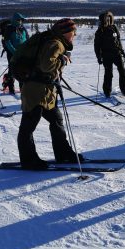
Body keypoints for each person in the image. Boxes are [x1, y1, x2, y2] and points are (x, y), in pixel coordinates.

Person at [17, 18, 83, 170]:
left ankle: (63, 153)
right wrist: (63, 60)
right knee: (28, 126)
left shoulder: (55, 41)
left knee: (56, 120)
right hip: (35, 91)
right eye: (73, 32)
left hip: (45, 92)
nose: (74, 35)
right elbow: (47, 66)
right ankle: (29, 161)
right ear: (66, 32)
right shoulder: (55, 43)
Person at [94, 11, 125, 97]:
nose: (108, 20)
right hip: (106, 55)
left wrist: (122, 51)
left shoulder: (114, 28)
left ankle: (124, 89)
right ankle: (107, 92)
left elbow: (118, 40)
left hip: (117, 53)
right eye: (106, 19)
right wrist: (98, 57)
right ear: (102, 20)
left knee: (122, 71)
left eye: (109, 18)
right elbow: (96, 46)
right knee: (109, 74)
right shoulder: (99, 31)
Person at [3, 12, 29, 94]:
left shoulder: (23, 29)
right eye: (19, 20)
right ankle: (11, 88)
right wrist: (14, 51)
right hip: (12, 54)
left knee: (23, 71)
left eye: (21, 20)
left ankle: (23, 89)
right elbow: (7, 42)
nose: (20, 22)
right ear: (14, 20)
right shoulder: (9, 29)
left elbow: (27, 40)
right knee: (12, 71)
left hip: (23, 53)